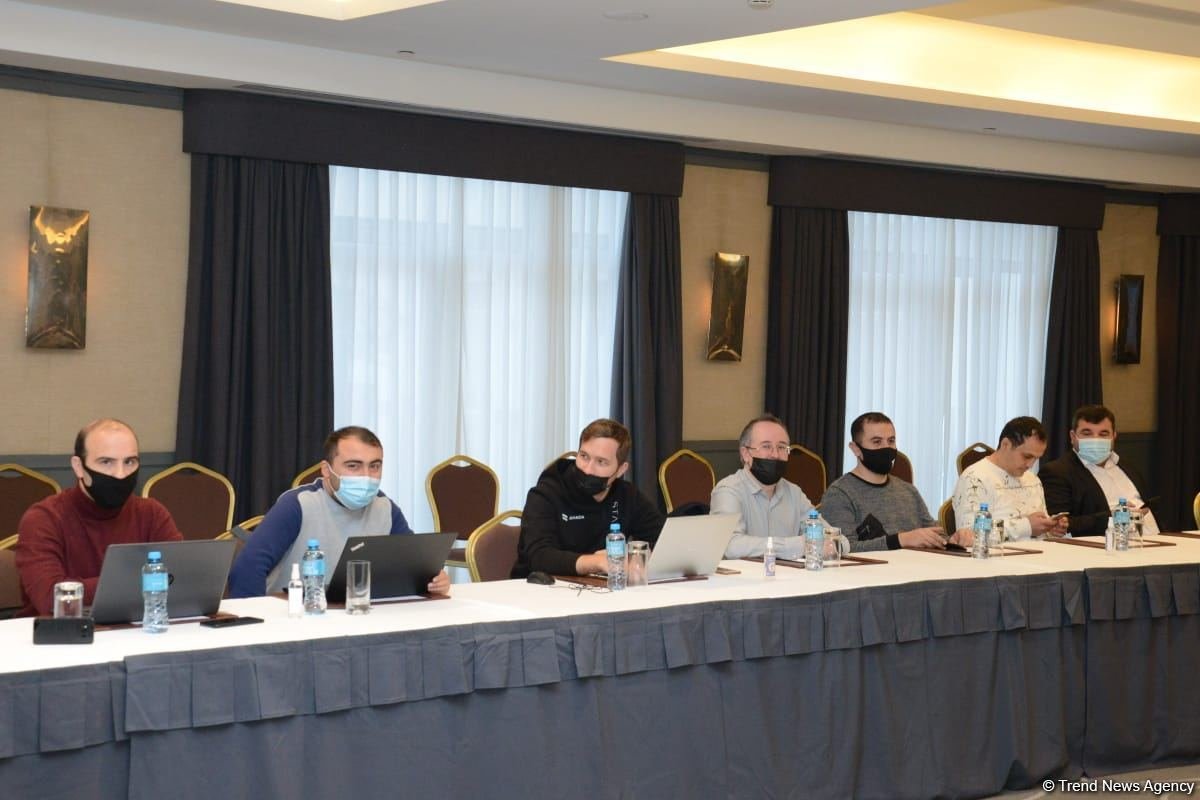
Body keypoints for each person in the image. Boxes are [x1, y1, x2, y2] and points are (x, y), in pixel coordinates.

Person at [227, 426, 449, 598]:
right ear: (326, 470)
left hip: (358, 614)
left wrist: (434, 580)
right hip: (295, 616)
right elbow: (247, 569)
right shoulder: (297, 504)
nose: (366, 476)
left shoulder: (385, 507)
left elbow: (414, 566)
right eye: (353, 466)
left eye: (374, 466)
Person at [14, 418, 182, 617]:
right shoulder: (43, 519)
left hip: (134, 629)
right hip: (59, 633)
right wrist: (144, 581)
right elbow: (52, 599)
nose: (120, 474)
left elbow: (182, 580)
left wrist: (92, 587)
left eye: (129, 462)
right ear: (78, 467)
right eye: (106, 462)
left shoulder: (152, 513)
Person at [513, 418, 664, 578]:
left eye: (601, 462)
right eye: (584, 456)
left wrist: (634, 558)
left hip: (600, 587)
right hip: (541, 586)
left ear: (620, 470)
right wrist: (597, 562)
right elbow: (538, 556)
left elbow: (662, 540)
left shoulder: (627, 495)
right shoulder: (547, 492)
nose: (588, 470)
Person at [821, 412, 967, 552]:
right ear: (855, 449)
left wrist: (953, 540)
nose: (886, 448)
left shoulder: (908, 491)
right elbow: (841, 549)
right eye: (877, 442)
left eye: (891, 441)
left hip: (917, 567)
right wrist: (900, 540)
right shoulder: (839, 494)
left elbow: (934, 536)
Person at [710, 414, 834, 560]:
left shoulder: (794, 493)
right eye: (766, 446)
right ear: (746, 454)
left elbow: (834, 538)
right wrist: (800, 545)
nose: (775, 455)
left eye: (781, 447)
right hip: (746, 575)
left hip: (788, 574)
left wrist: (831, 544)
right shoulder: (728, 491)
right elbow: (730, 546)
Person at [1040, 405, 1159, 537]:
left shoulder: (1128, 467)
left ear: (1114, 436)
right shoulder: (1057, 472)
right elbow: (1061, 524)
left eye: (1103, 434)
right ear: (1073, 437)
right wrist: (1114, 517)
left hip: (1157, 539)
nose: (1096, 439)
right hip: (1107, 545)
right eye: (1087, 433)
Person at [952, 416, 1069, 543]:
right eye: (1027, 456)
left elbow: (1038, 531)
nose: (1030, 465)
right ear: (1006, 444)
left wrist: (1049, 529)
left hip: (1040, 552)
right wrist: (1026, 526)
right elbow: (970, 537)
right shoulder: (975, 478)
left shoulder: (1032, 479)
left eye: (1036, 458)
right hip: (1000, 555)